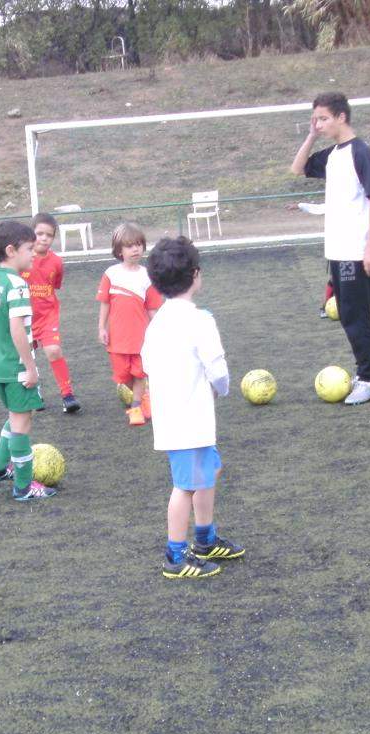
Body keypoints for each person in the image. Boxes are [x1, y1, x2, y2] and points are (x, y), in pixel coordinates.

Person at [141, 236, 245, 578]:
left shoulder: (157, 323)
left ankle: (204, 538)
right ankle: (175, 555)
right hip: (189, 419)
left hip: (177, 416)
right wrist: (220, 390)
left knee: (209, 471)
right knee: (184, 486)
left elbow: (146, 363)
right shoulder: (200, 320)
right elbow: (218, 369)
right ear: (196, 274)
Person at [290, 91, 370, 404]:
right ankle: (363, 372)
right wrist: (311, 136)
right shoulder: (332, 155)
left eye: (324, 118)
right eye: (316, 118)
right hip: (337, 250)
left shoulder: (361, 152)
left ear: (342, 117)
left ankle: (368, 379)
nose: (319, 123)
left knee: (357, 315)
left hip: (356, 251)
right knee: (346, 313)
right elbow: (297, 168)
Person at [0, 220, 56, 501]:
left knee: (14, 415)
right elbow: (16, 329)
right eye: (29, 249)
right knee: (22, 423)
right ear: (11, 250)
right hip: (16, 367)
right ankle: (24, 486)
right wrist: (30, 367)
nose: (34, 254)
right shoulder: (18, 285)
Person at [97, 222, 163, 426]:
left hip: (141, 339)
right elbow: (105, 303)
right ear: (119, 251)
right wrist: (101, 327)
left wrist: (161, 329)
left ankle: (135, 409)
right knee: (122, 376)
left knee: (140, 374)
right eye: (129, 245)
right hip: (117, 338)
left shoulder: (147, 276)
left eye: (138, 244)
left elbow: (152, 308)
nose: (135, 249)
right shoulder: (111, 274)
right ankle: (144, 396)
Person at [24, 212, 80, 413]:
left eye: (49, 235)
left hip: (48, 315)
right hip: (25, 318)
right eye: (39, 233)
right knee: (26, 356)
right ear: (31, 234)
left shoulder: (56, 262)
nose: (44, 238)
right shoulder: (23, 260)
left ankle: (67, 395)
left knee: (54, 351)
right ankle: (33, 394)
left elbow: (54, 285)